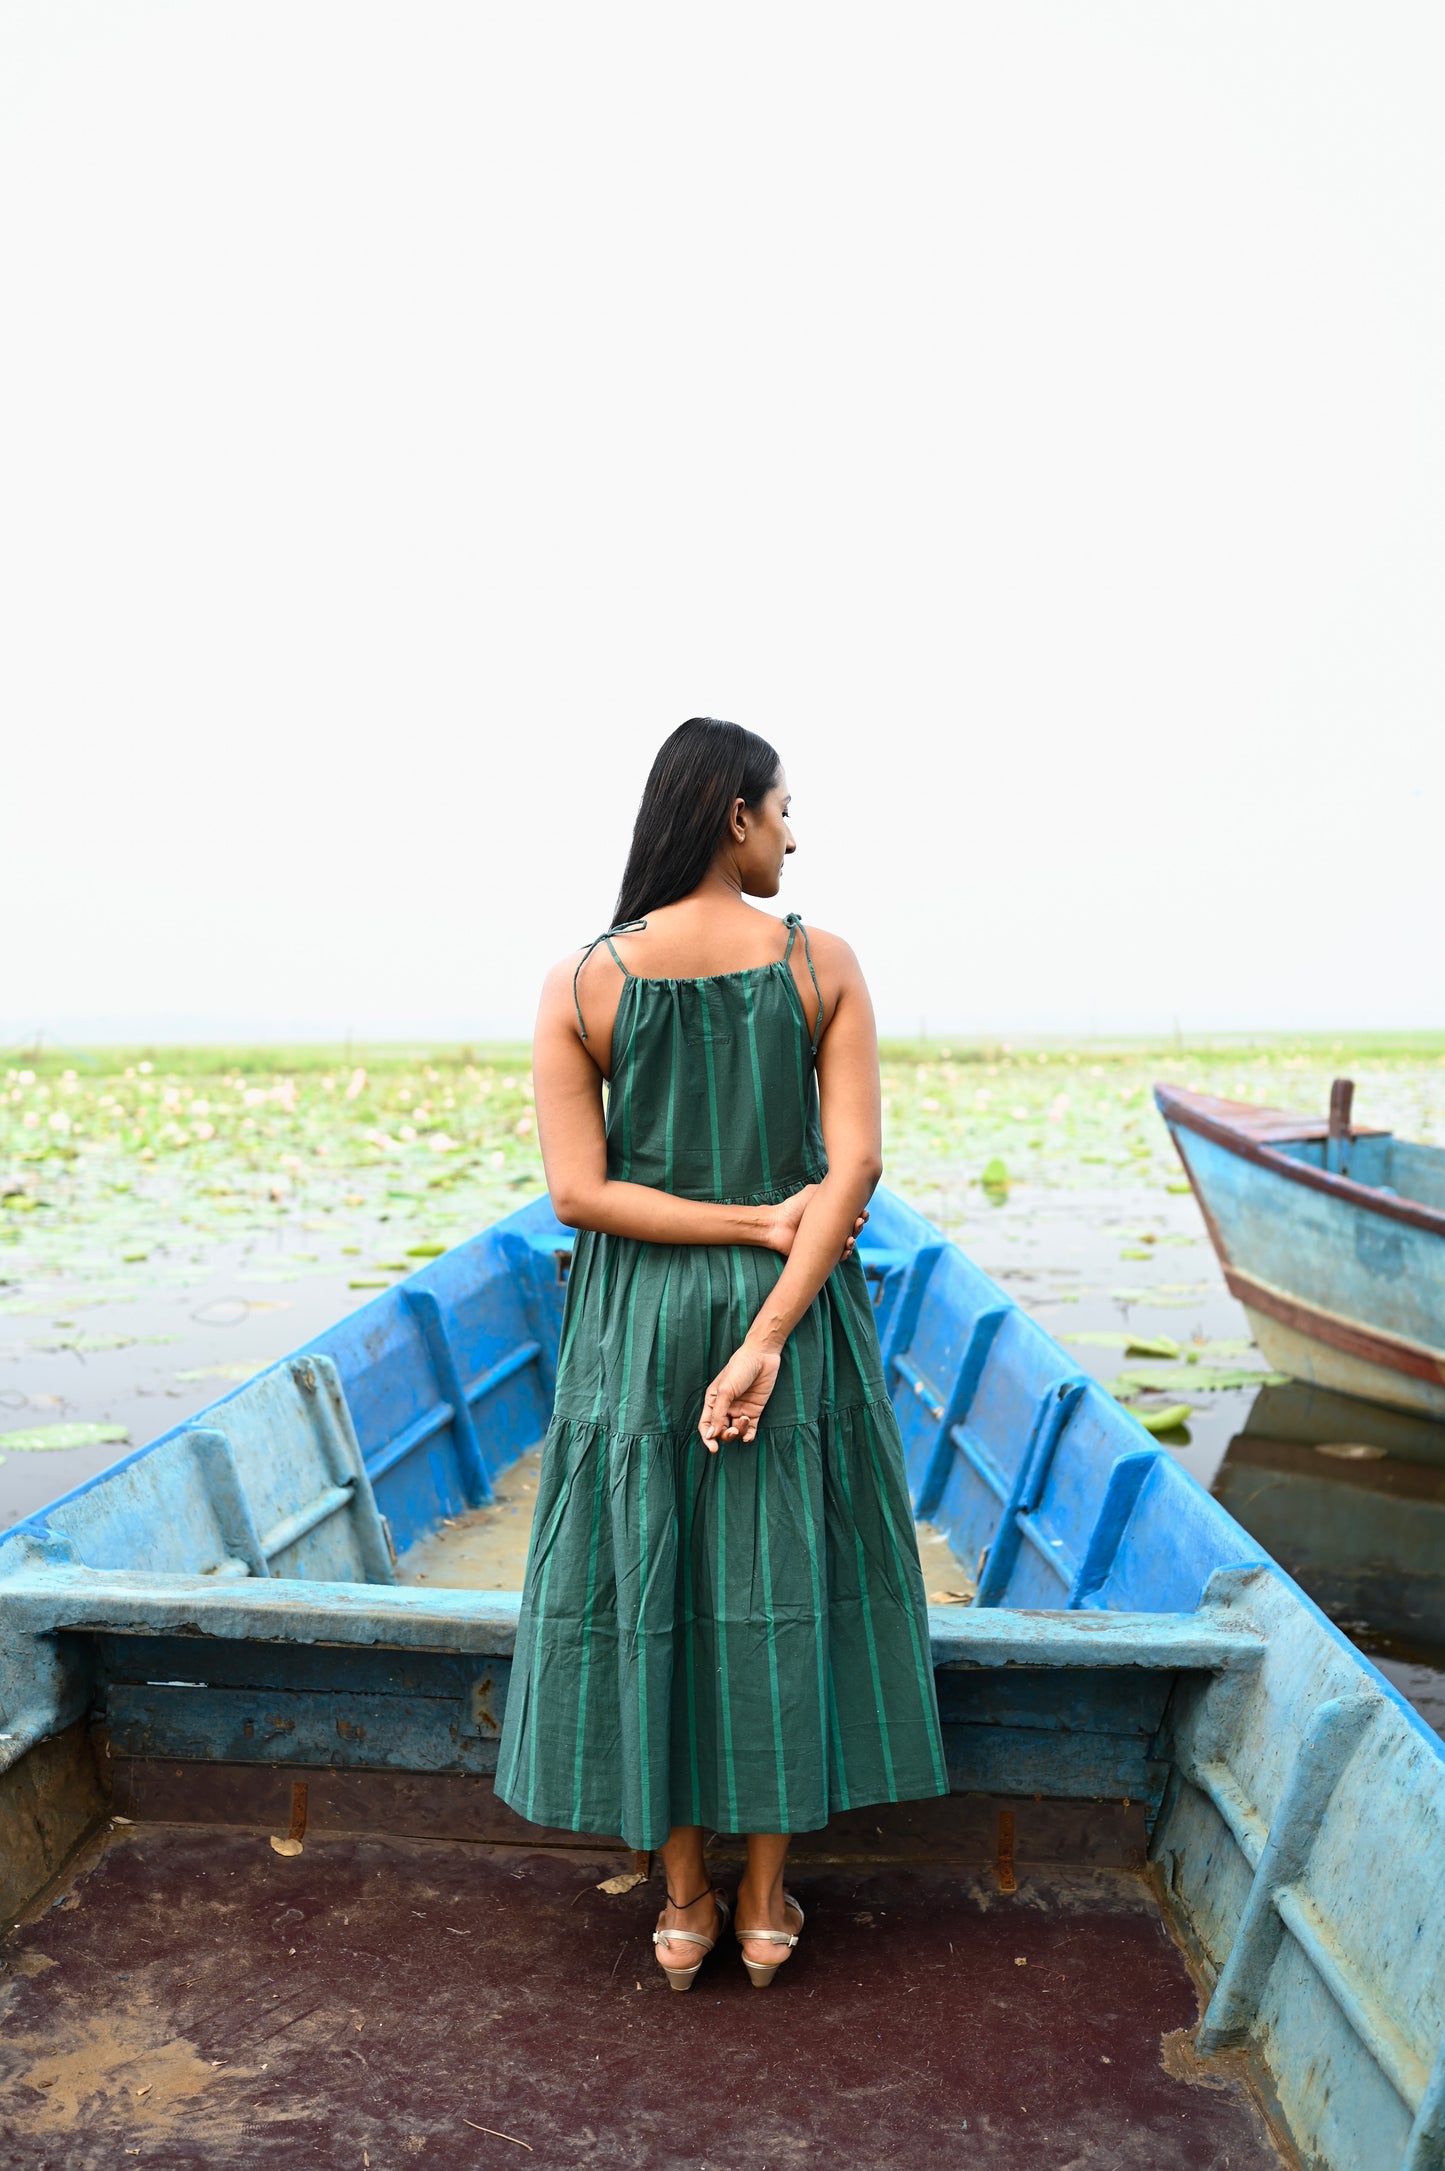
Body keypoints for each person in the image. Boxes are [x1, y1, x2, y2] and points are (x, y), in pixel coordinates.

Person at [495, 717, 946, 1991]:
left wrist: (729, 1225)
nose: (793, 833)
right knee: (773, 1574)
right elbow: (849, 1167)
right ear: (732, 816)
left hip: (634, 1325)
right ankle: (761, 1903)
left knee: (653, 1581)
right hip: (788, 1316)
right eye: (783, 809)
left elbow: (578, 1195)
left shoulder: (582, 980)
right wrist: (761, 1308)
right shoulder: (822, 963)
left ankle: (680, 1901)